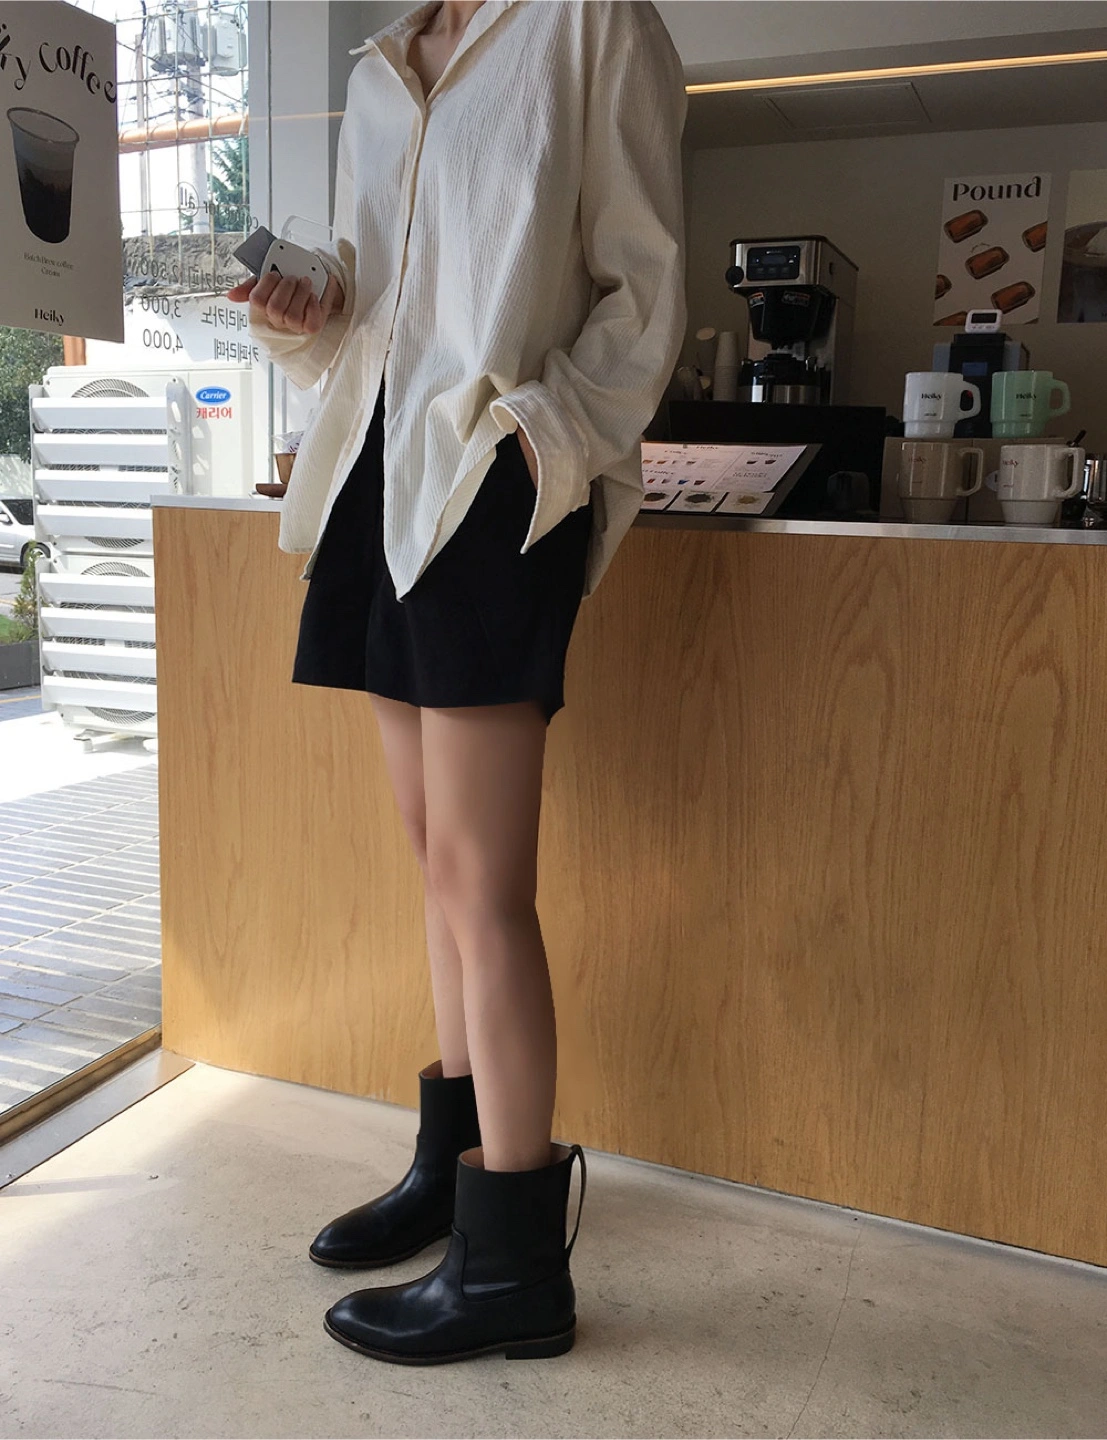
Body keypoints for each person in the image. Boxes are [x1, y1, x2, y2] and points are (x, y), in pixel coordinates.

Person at [228, 0, 686, 1365]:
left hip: (486, 478)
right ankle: (454, 1162)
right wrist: (306, 308)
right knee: (437, 866)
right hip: (375, 477)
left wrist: (544, 431)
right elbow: (371, 307)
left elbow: (646, 284)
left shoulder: (586, 23)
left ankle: (512, 1268)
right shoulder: (380, 70)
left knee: (485, 890)